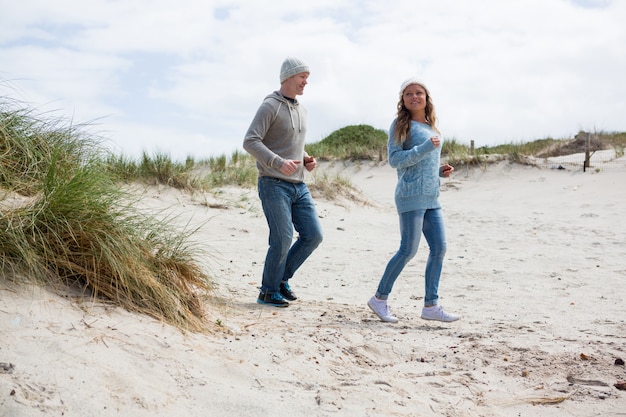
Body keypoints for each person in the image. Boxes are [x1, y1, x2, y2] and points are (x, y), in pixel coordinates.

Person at [367, 78, 459, 323]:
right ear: (403, 100)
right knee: (408, 250)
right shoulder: (400, 124)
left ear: (426, 98)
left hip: (432, 198)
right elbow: (395, 160)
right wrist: (426, 148)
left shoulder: (431, 127)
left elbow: (422, 164)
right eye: (409, 94)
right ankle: (379, 299)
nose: (414, 96)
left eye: (419, 93)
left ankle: (431, 306)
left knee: (439, 248)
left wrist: (439, 171)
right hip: (410, 196)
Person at [243, 57, 323, 307]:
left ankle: (280, 280)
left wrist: (305, 158)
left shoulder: (302, 109)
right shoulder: (270, 105)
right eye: (302, 77)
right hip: (273, 183)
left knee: (313, 235)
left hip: (298, 185)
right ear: (288, 77)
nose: (306, 82)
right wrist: (278, 162)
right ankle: (267, 291)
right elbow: (251, 141)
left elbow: (292, 143)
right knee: (282, 237)